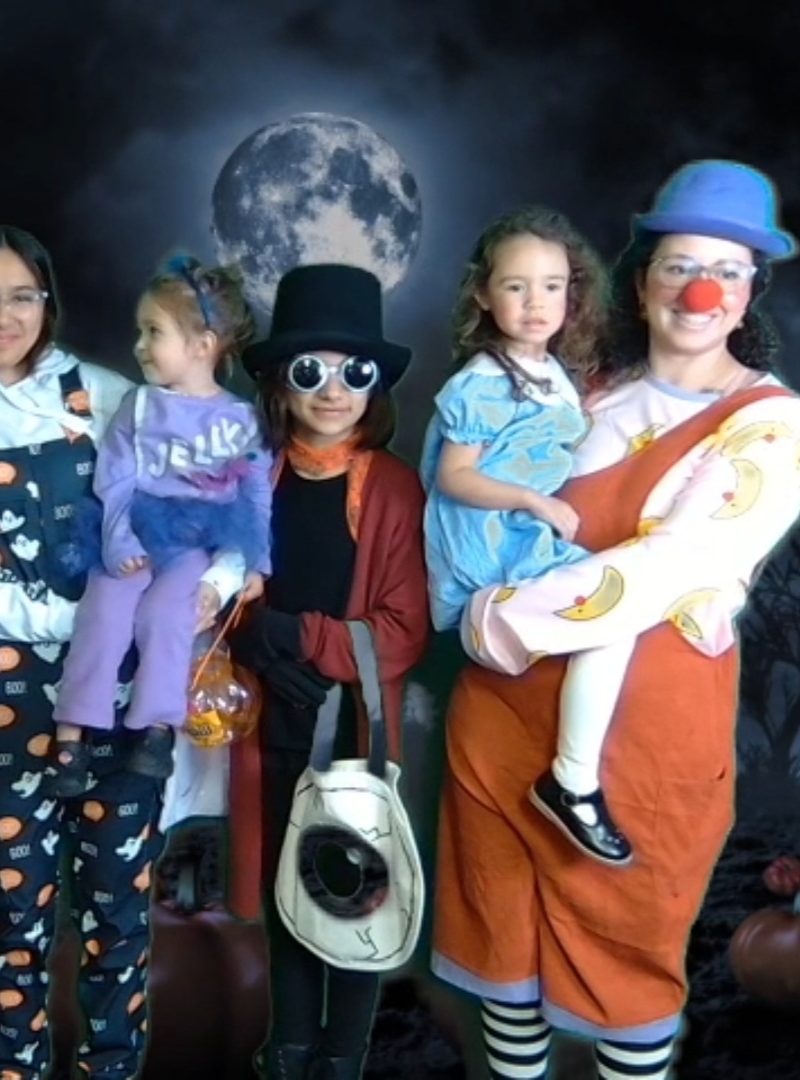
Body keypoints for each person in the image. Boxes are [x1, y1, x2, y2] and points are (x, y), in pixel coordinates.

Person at [431, 159, 800, 1080]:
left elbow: (672, 563)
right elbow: (463, 494)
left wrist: (495, 619)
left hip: (632, 756)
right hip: (499, 727)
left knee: (625, 980)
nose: (699, 290)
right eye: (678, 265)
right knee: (502, 965)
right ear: (640, 283)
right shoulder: (574, 390)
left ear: (748, 291)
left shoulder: (772, 424)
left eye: (725, 270)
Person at [0, 225, 245, 1080]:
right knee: (12, 920)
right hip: (5, 700)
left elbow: (203, 496)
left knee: (118, 919)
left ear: (47, 303)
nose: (3, 314)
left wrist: (214, 581)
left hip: (125, 701)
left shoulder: (106, 395)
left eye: (22, 295)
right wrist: (88, 616)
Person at [222, 264, 431, 1080]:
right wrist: (253, 639)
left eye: (355, 371)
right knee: (284, 878)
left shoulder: (393, 489)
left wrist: (299, 636)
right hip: (269, 719)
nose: (334, 390)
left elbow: (402, 632)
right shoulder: (253, 480)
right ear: (281, 380)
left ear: (375, 384)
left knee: (351, 883)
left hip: (351, 728)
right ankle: (290, 1044)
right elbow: (218, 595)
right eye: (311, 371)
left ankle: (343, 1053)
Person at [420, 207, 636, 864]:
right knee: (613, 618)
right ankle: (572, 782)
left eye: (551, 285)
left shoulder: (552, 376)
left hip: (525, 540)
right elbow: (454, 477)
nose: (535, 302)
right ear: (484, 296)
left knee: (621, 607)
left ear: (572, 293)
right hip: (494, 549)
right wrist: (530, 500)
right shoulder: (482, 383)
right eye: (515, 286)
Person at [48, 254, 269, 796]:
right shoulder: (140, 405)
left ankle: (156, 728)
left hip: (195, 541)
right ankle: (72, 732)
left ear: (202, 344)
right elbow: (115, 479)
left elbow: (254, 495)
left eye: (154, 332)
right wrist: (118, 538)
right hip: (135, 528)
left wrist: (253, 564)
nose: (139, 346)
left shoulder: (242, 420)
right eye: (140, 331)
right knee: (105, 607)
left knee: (169, 614)